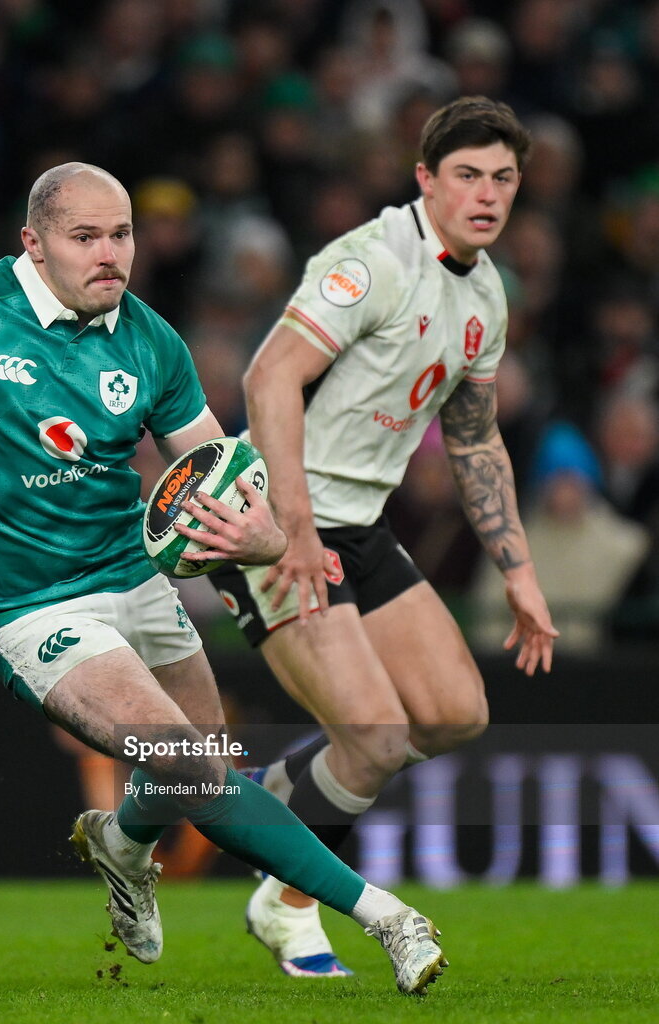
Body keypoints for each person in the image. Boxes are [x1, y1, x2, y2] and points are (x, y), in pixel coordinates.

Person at [0, 163, 447, 994]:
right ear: (32, 244)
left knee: (193, 765)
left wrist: (261, 536)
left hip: (132, 577)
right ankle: (388, 917)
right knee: (191, 765)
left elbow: (217, 474)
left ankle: (122, 842)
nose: (110, 254)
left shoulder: (150, 339)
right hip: (24, 605)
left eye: (121, 234)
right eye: (85, 237)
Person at [207, 97, 558, 978]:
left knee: (452, 713)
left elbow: (472, 437)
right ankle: (285, 905)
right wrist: (290, 529)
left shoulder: (485, 293)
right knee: (375, 739)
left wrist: (517, 570)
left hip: (357, 523)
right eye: (467, 175)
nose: (486, 194)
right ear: (425, 180)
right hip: (271, 519)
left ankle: (275, 799)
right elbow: (268, 377)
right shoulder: (371, 261)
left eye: (502, 178)